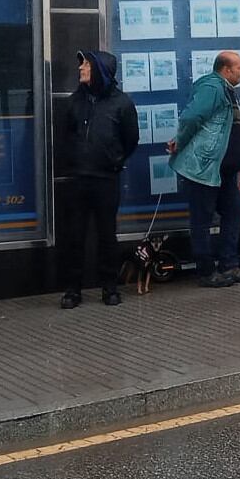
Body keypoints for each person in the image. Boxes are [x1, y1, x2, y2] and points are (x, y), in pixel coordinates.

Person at [59, 50, 139, 309]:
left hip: (106, 179)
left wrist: (115, 161)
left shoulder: (122, 104)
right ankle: (73, 290)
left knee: (107, 235)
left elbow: (131, 140)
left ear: (101, 70)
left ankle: (110, 287)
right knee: (74, 236)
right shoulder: (73, 102)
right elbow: (64, 137)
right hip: (78, 179)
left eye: (86, 64)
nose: (81, 67)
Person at [168, 51, 240, 288]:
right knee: (202, 217)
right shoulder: (213, 88)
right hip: (204, 166)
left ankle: (229, 264)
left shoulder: (226, 89)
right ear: (226, 70)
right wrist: (181, 141)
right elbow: (191, 118)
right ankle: (206, 271)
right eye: (239, 67)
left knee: (234, 208)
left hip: (222, 168)